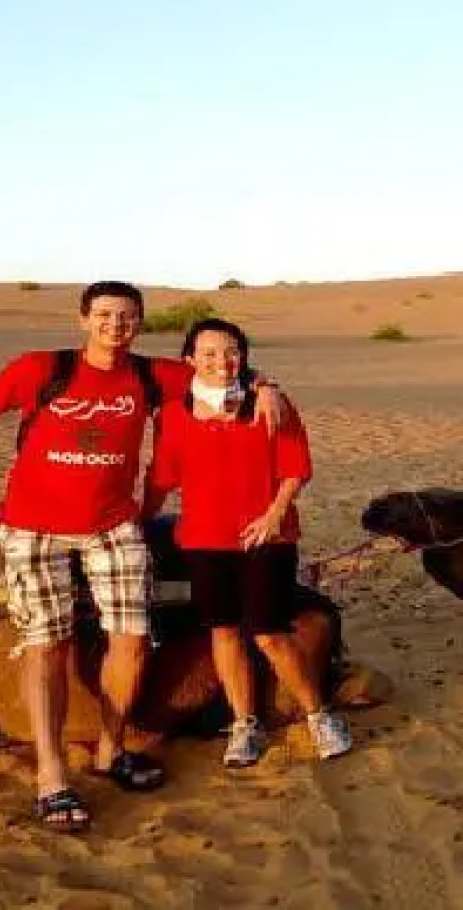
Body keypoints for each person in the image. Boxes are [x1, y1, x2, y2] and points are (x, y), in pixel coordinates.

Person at [0, 281, 284, 832]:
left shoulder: (153, 377)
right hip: (31, 525)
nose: (114, 325)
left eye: (126, 317)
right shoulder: (40, 368)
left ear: (139, 325)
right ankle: (52, 774)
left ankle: (111, 748)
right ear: (84, 320)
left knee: (131, 638)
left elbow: (221, 370)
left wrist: (265, 385)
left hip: (112, 524)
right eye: (103, 315)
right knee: (45, 641)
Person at [140, 316, 352, 767]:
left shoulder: (270, 404)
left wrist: (275, 515)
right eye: (211, 353)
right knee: (224, 631)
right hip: (203, 538)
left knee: (270, 633)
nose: (222, 361)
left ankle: (318, 714)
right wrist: (138, 520)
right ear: (190, 360)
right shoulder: (174, 416)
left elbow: (295, 467)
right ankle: (243, 723)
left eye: (232, 352)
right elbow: (161, 477)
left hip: (266, 535)